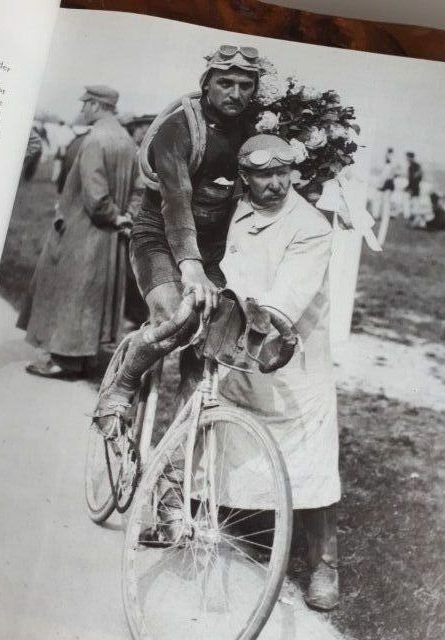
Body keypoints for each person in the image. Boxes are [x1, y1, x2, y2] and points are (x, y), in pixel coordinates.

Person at [95, 45, 264, 422]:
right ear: (206, 84)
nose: (235, 93)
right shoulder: (178, 129)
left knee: (214, 340)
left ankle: (177, 456)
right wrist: (190, 266)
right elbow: (176, 199)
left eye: (245, 84)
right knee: (177, 317)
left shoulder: (255, 132)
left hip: (214, 250)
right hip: (158, 235)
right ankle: (122, 384)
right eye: (225, 82)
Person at [217, 134, 340, 611]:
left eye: (282, 174)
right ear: (245, 178)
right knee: (226, 435)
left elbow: (289, 294)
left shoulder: (310, 226)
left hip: (292, 358)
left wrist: (261, 318)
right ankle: (202, 518)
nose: (275, 184)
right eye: (264, 175)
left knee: (311, 466)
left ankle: (324, 565)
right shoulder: (234, 211)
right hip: (241, 349)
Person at [18, 85, 142, 378]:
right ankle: (85, 360)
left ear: (96, 106)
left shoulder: (94, 140)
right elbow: (139, 188)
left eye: (85, 105)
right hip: (111, 235)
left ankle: (64, 361)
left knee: (73, 292)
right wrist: (126, 218)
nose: (82, 110)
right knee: (94, 295)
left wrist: (112, 215)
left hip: (85, 230)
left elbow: (96, 197)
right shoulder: (126, 140)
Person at [405, 151, 422, 220]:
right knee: (415, 202)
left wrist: (409, 187)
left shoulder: (413, 166)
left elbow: (413, 178)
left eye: (407, 157)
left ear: (410, 157)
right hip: (415, 187)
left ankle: (412, 216)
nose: (406, 159)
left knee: (413, 202)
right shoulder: (416, 166)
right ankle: (413, 216)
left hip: (414, 187)